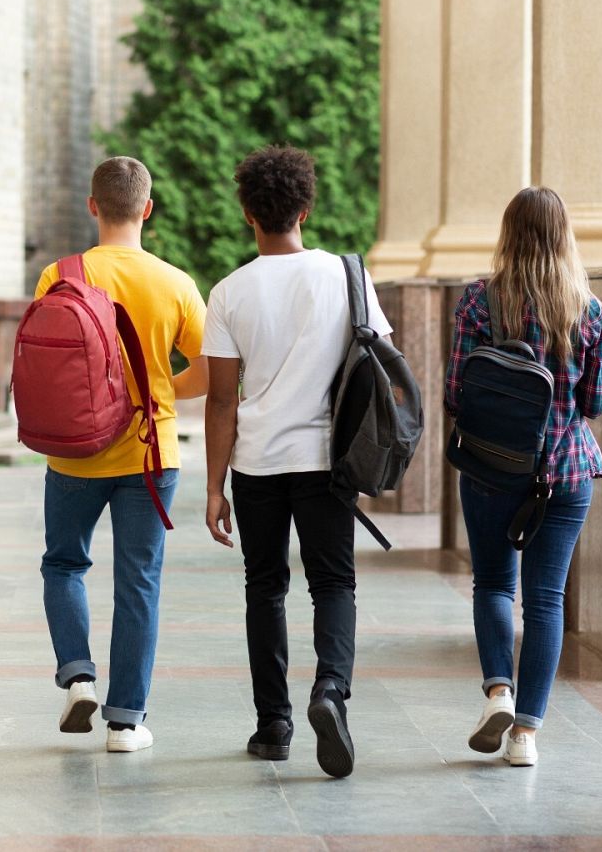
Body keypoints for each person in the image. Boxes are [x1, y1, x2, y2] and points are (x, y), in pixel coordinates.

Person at [202, 146, 392, 778]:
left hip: (256, 464)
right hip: (327, 461)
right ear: (305, 209)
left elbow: (222, 399)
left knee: (266, 588)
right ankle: (330, 692)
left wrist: (213, 487)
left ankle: (273, 725)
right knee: (333, 583)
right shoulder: (346, 276)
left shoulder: (229, 293)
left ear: (247, 213)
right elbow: (377, 368)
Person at [36, 156, 208, 754]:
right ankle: (126, 723)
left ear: (92, 206)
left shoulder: (60, 274)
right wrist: (160, 389)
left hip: (75, 455)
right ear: (148, 209)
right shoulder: (176, 283)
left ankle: (78, 677)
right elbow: (209, 372)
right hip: (150, 454)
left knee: (63, 565)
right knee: (138, 583)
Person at [447, 186, 602, 768]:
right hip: (565, 473)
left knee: (493, 584)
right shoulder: (588, 310)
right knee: (545, 601)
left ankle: (499, 692)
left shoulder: (477, 303)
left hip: (493, 468)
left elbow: (455, 393)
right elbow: (596, 400)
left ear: (507, 233)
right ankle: (526, 738)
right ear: (564, 234)